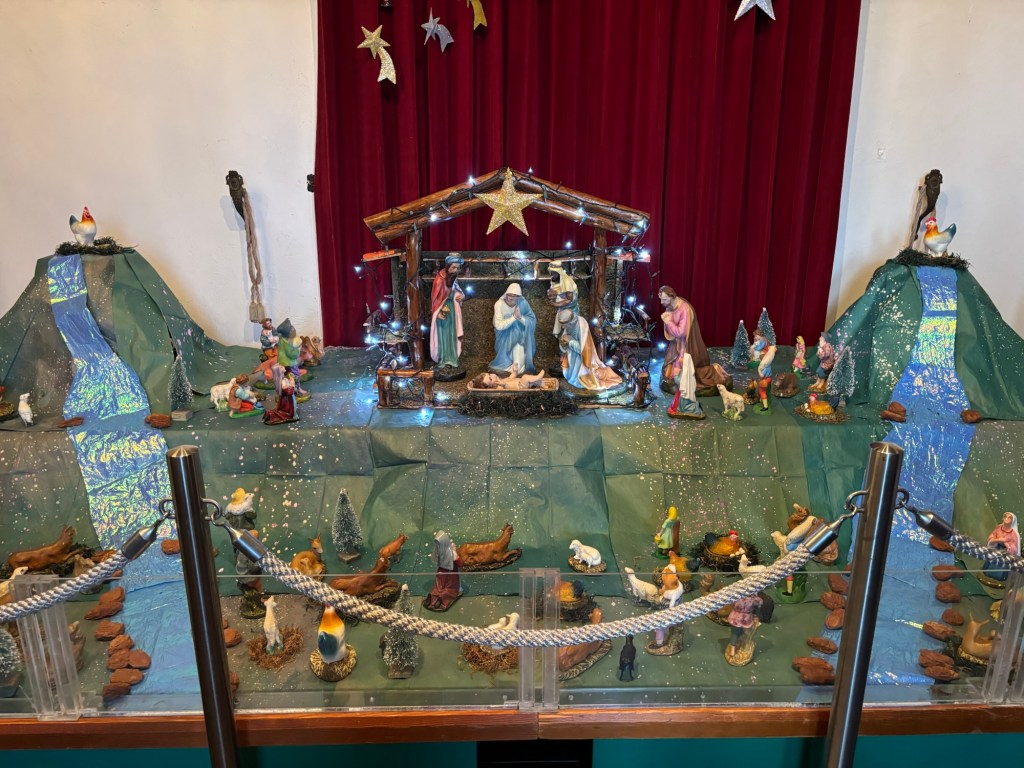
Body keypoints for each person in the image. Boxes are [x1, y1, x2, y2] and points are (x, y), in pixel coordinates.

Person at [658, 286, 730, 393]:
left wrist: (669, 322)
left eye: (664, 299)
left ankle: (715, 370)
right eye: (661, 299)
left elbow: (681, 333)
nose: (661, 302)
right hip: (676, 345)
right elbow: (672, 331)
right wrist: (668, 321)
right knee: (671, 369)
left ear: (672, 297)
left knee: (687, 370)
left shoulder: (684, 309)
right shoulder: (670, 307)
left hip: (685, 345)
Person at [557, 309, 622, 391]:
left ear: (571, 322)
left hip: (582, 359)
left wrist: (570, 341)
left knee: (581, 379)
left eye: (564, 324)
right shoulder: (570, 326)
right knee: (571, 376)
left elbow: (583, 349)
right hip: (572, 355)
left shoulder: (581, 325)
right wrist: (563, 343)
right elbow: (565, 339)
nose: (563, 327)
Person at [489, 283, 537, 375]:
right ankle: (505, 367)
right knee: (506, 363)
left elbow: (532, 320)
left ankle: (519, 369)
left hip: (520, 339)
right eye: (509, 295)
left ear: (518, 297)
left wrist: (520, 318)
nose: (511, 298)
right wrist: (513, 318)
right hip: (504, 338)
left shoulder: (523, 303)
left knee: (519, 366)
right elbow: (498, 325)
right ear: (506, 294)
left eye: (514, 296)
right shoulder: (499, 304)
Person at [430, 253, 466, 372]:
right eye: (453, 267)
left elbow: (456, 291)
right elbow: (435, 298)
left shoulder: (453, 278)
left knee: (452, 335)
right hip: (442, 312)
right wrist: (437, 312)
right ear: (448, 267)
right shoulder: (439, 279)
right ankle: (443, 359)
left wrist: (461, 296)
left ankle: (452, 359)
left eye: (458, 268)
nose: (456, 270)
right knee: (443, 336)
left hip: (452, 310)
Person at [424, 531, 462, 611]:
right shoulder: (438, 550)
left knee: (447, 589)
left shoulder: (451, 552)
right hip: (442, 574)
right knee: (438, 588)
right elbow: (435, 559)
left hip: (450, 575)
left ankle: (441, 599)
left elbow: (459, 563)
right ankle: (432, 598)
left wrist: (454, 556)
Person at [981, 512, 1020, 586]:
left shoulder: (1013, 534)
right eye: (1005, 516)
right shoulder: (998, 528)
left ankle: (999, 578)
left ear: (1012, 521)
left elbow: (1015, 549)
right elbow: (991, 537)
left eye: (1009, 518)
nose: (1006, 518)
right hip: (996, 549)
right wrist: (998, 540)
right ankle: (987, 573)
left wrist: (1007, 545)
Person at [725, 594, 763, 662]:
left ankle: (738, 645)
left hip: (739, 616)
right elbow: (758, 604)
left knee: (738, 632)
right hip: (743, 617)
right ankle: (734, 648)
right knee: (737, 632)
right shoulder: (752, 599)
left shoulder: (739, 596)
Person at [547, 261, 579, 337]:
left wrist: (556, 304)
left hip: (570, 309)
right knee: (561, 325)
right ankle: (561, 336)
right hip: (561, 309)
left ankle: (571, 337)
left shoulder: (566, 282)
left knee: (570, 326)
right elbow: (556, 291)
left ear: (559, 272)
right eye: (551, 272)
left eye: (554, 273)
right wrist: (552, 295)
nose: (552, 275)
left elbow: (569, 299)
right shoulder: (554, 279)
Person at [471, 366, 547, 391]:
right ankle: (537, 377)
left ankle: (542, 384)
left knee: (536, 381)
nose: (493, 376)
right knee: (525, 377)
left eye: (490, 375)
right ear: (490, 388)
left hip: (521, 382)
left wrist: (515, 371)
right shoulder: (499, 387)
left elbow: (511, 377)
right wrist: (504, 385)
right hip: (521, 387)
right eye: (491, 379)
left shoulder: (501, 380)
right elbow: (507, 389)